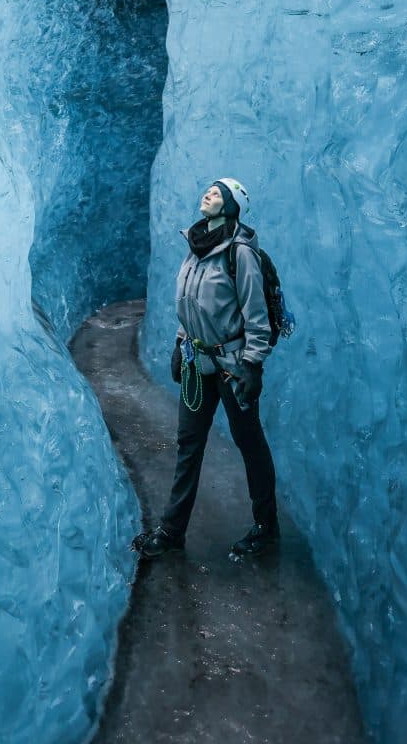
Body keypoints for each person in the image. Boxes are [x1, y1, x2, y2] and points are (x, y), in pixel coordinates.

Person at [133, 176, 279, 560]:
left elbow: (256, 315)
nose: (209, 193)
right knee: (188, 444)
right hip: (199, 362)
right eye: (209, 189)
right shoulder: (197, 245)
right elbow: (191, 301)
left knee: (249, 443)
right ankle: (172, 531)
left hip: (232, 366)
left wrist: (253, 365)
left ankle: (266, 527)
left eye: (220, 193)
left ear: (233, 206)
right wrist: (182, 342)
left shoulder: (240, 253)